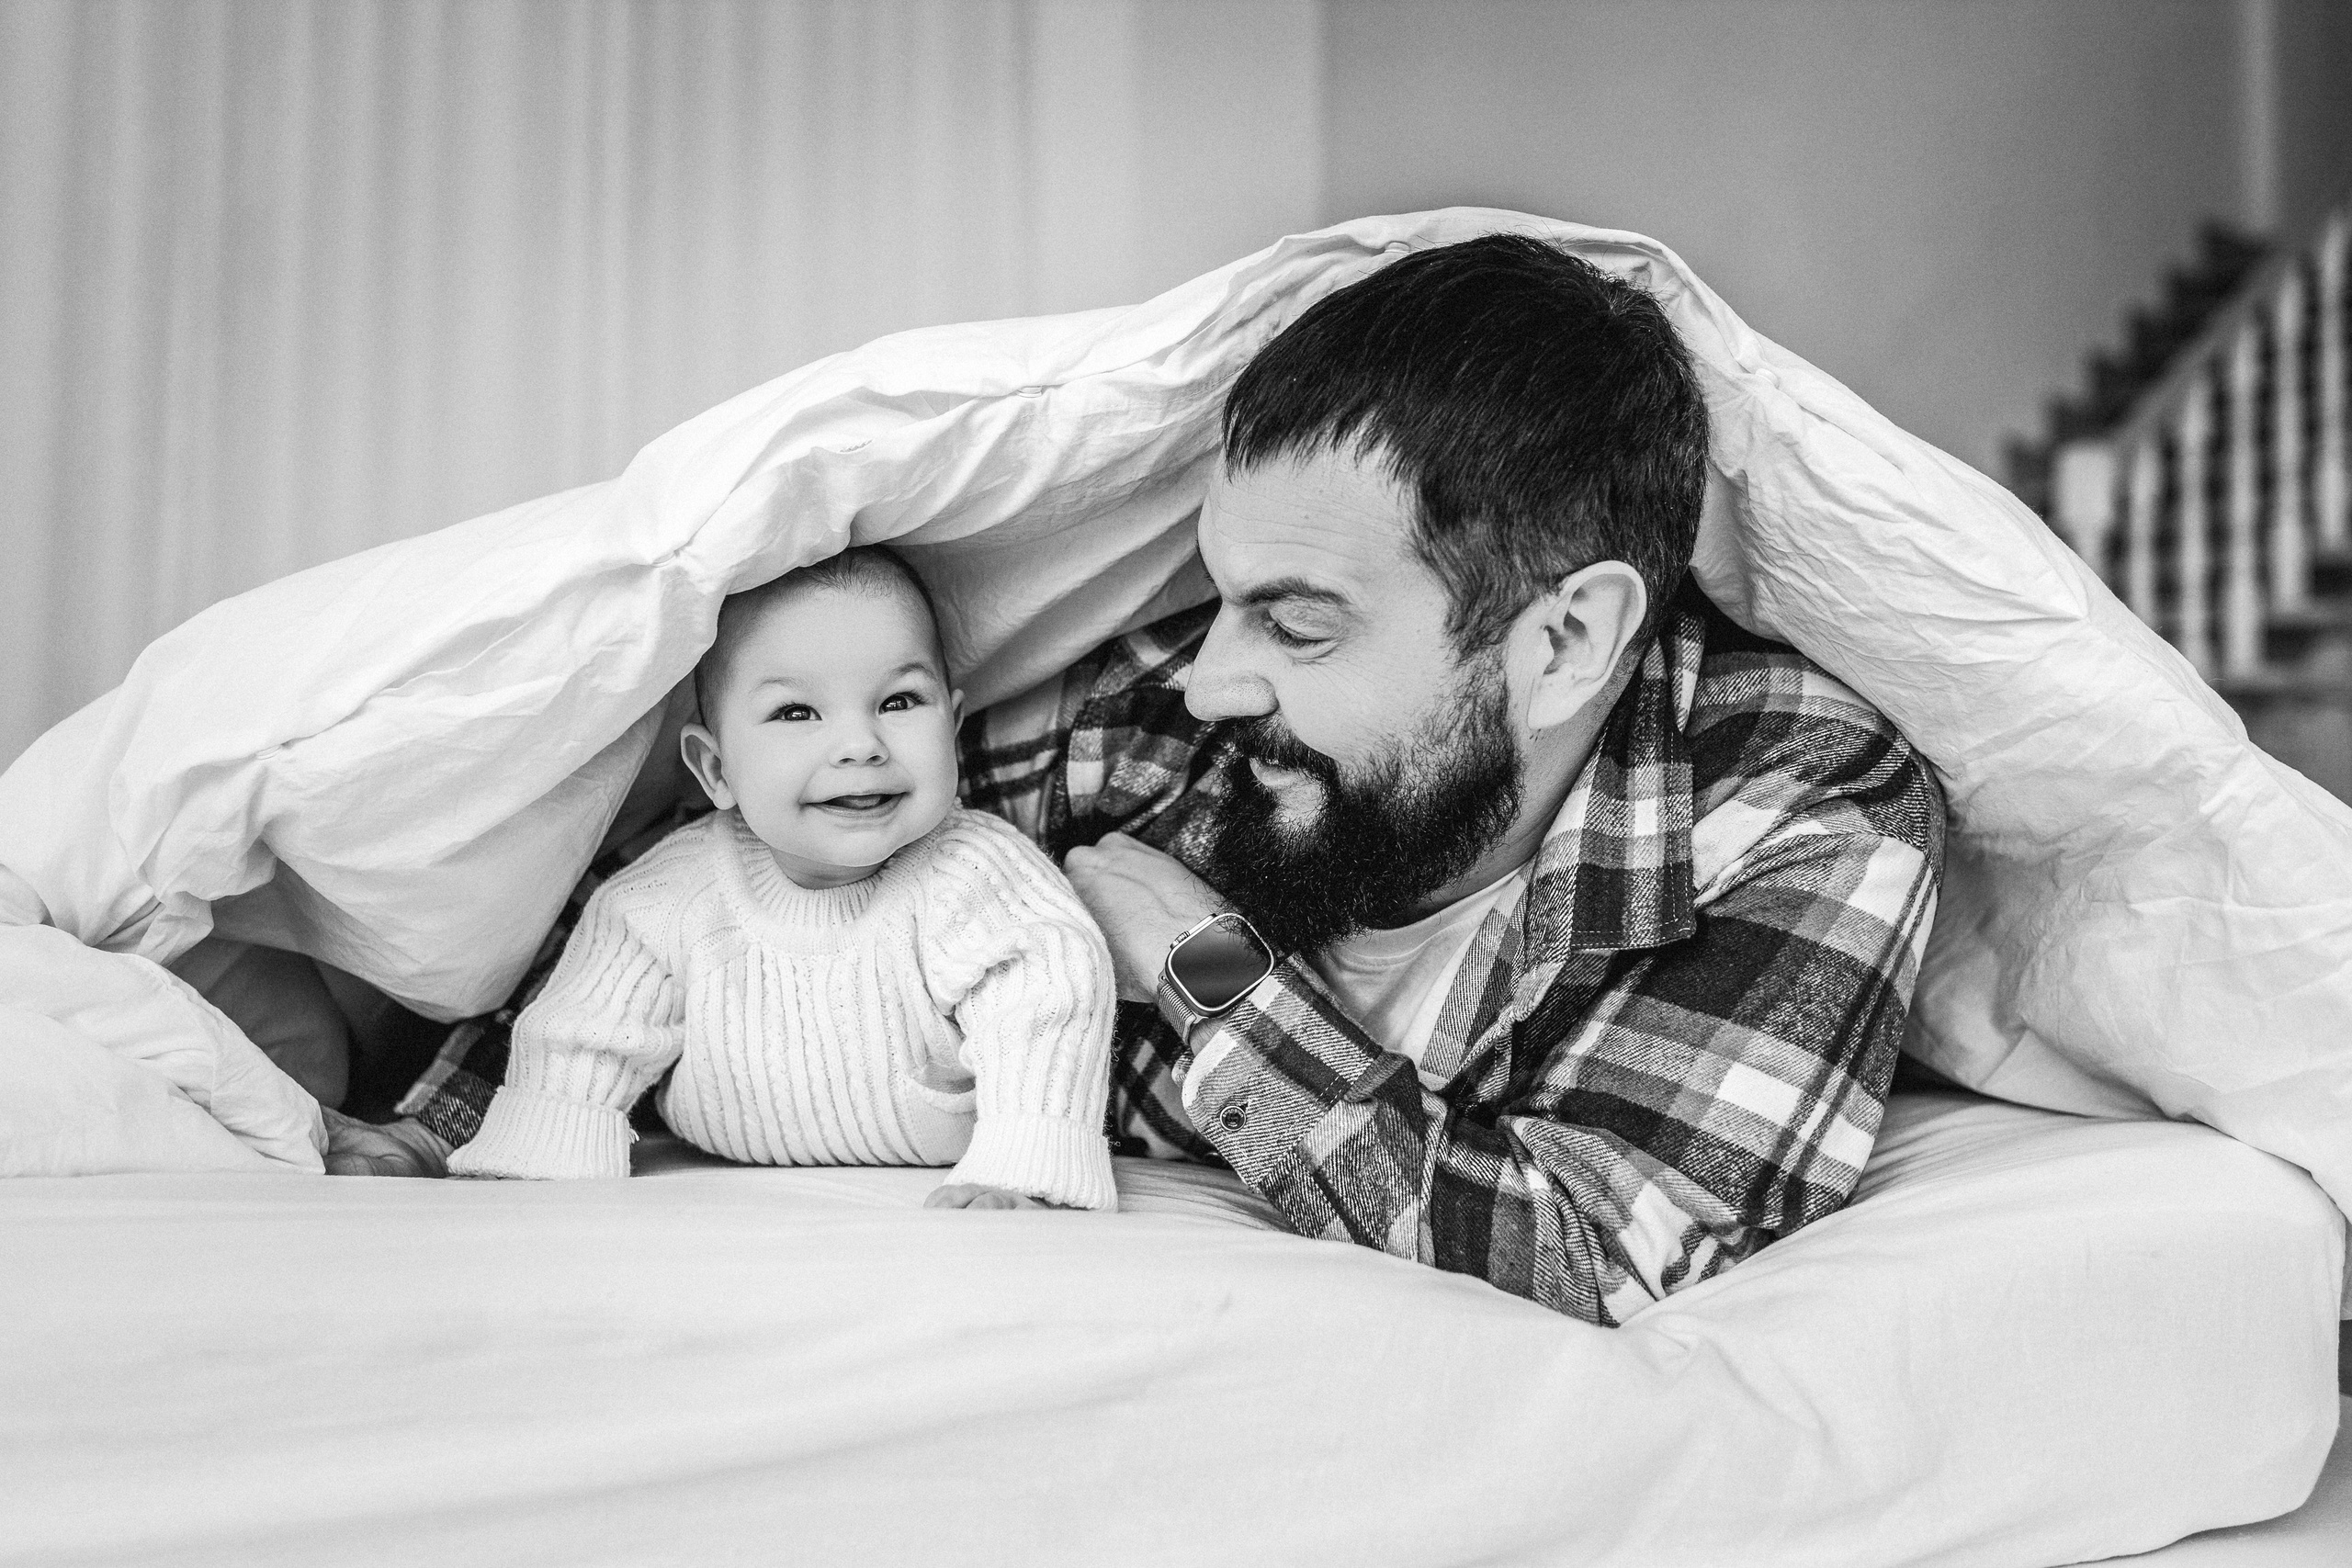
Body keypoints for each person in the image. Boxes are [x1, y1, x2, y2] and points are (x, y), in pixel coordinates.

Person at [337, 234, 1943, 1325]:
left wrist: (1207, 966)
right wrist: (435, 1122)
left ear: (1561, 640)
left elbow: (1586, 1252)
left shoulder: (1801, 798)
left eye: (1295, 622)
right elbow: (730, 863)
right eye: (1217, 595)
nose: (1209, 677)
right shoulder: (1175, 720)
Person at [433, 548, 1119, 1211]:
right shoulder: (674, 894)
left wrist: (1023, 1163)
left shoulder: (973, 874)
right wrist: (541, 1154)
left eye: (901, 701)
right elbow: (584, 1030)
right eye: (797, 713)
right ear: (716, 770)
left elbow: (1050, 997)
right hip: (718, 1149)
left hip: (957, 1155)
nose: (860, 744)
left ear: (954, 723)